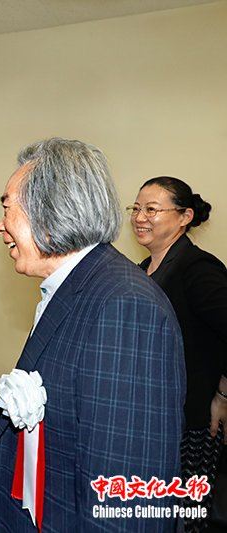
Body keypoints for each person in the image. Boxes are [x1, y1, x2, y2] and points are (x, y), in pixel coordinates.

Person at [0, 138, 185, 531]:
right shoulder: (74, 286)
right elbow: (40, 404)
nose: (0, 226)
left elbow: (125, 498)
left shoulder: (125, 307)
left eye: (7, 208)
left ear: (49, 212)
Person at [128, 176, 227, 530]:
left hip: (191, 422)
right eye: (136, 208)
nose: (140, 217)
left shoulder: (198, 269)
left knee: (184, 516)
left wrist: (223, 395)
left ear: (185, 217)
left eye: (152, 209)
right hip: (151, 418)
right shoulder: (141, 270)